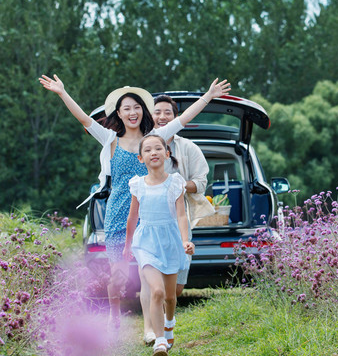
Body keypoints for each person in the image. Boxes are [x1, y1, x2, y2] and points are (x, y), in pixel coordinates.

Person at [38, 74, 231, 331]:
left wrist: (207, 96)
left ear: (143, 111)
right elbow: (84, 118)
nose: (133, 112)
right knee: (117, 274)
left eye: (137, 107)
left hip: (151, 214)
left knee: (148, 274)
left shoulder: (154, 138)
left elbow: (183, 119)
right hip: (118, 213)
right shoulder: (109, 139)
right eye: (127, 108)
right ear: (118, 113)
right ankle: (114, 315)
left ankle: (152, 328)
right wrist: (62, 92)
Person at [139, 94, 214, 346]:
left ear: (175, 116)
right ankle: (154, 333)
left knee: (176, 290)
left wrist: (180, 186)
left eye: (167, 113)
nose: (162, 117)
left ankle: (165, 324)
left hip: (178, 226)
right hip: (150, 226)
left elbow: (202, 181)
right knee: (152, 283)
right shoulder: (143, 145)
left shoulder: (189, 148)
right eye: (157, 112)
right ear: (151, 115)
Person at [123, 134, 195, 356]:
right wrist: (128, 246)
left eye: (158, 149)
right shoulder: (137, 185)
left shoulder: (175, 183)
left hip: (170, 242)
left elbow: (182, 216)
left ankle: (170, 325)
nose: (153, 153)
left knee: (171, 297)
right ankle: (160, 341)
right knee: (156, 291)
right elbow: (132, 217)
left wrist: (185, 240)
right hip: (145, 244)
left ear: (167, 154)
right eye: (147, 150)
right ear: (141, 157)